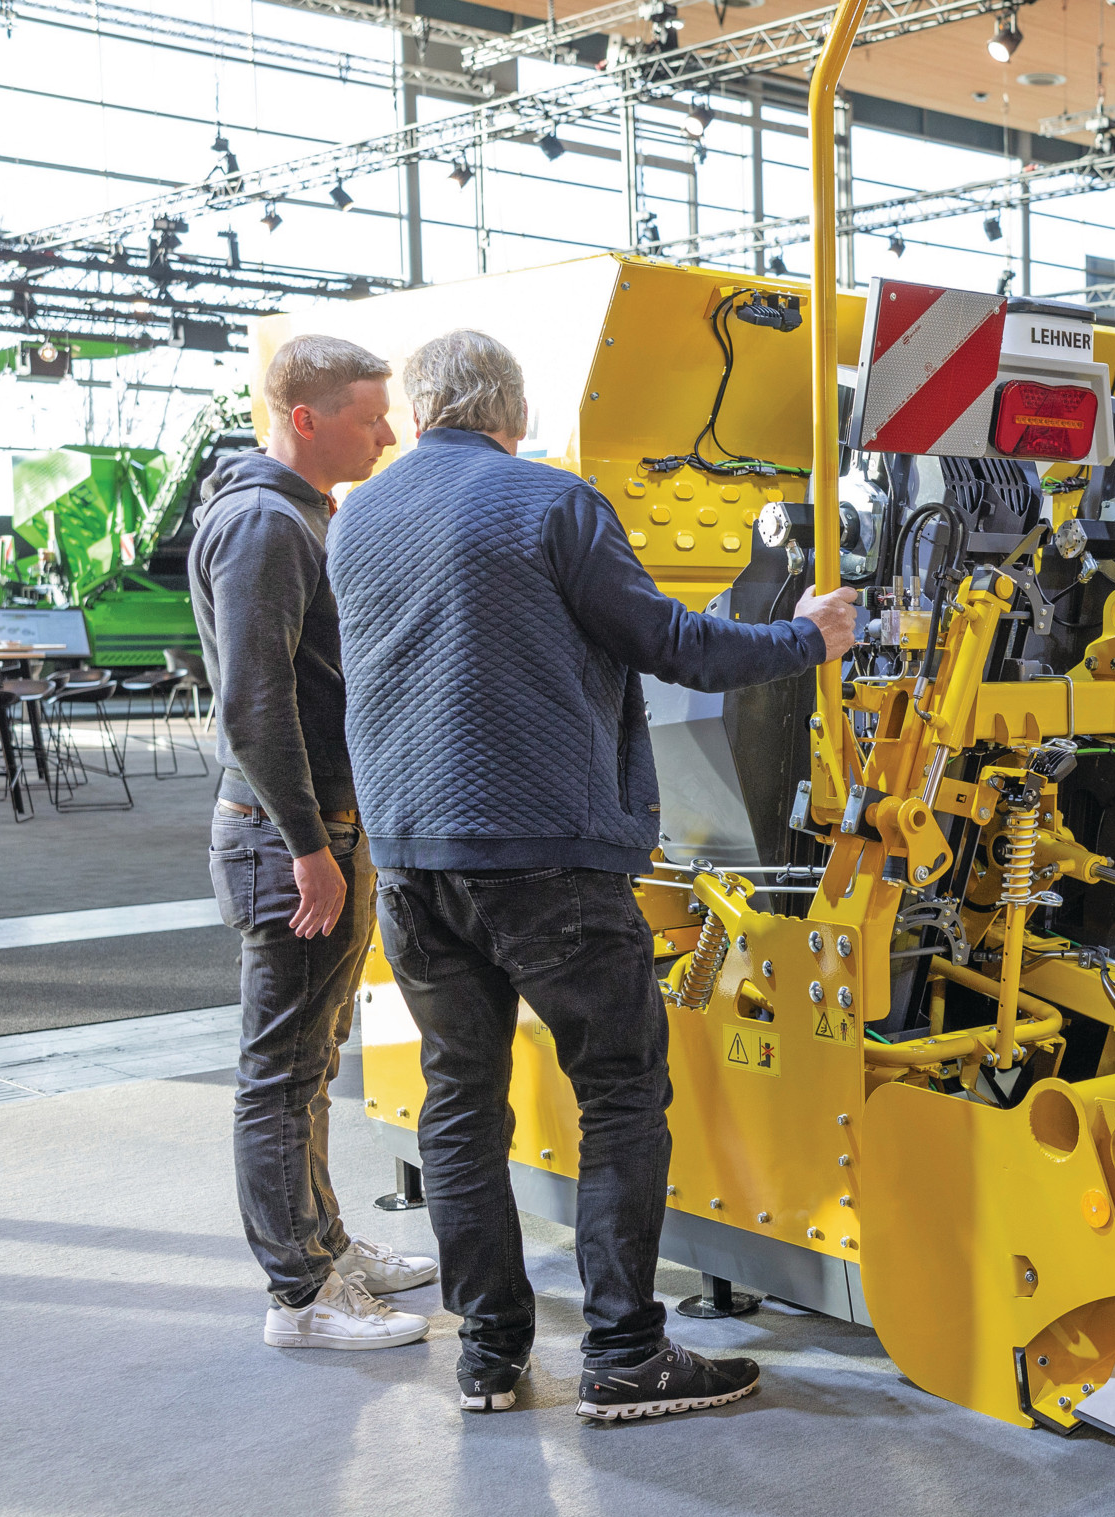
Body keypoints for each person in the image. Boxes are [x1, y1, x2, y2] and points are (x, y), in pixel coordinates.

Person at [326, 330, 863, 1420]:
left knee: (457, 1100)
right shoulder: (551, 504)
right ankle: (623, 1352)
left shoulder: (359, 519)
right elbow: (675, 644)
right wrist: (808, 638)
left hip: (415, 862)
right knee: (619, 1090)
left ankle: (488, 1351)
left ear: (422, 414)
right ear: (512, 413)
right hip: (549, 860)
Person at [191, 334, 438, 1354]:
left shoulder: (296, 514)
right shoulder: (264, 525)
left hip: (319, 825)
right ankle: (299, 1292)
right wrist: (308, 844)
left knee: (309, 1057)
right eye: (369, 414)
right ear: (306, 417)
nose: (386, 431)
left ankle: (325, 1243)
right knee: (279, 1070)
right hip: (287, 834)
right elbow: (255, 707)